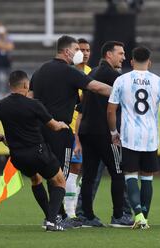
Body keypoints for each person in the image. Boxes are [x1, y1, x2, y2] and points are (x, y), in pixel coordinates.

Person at [29, 35, 112, 227]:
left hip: (41, 129)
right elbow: (97, 87)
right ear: (67, 52)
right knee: (61, 175)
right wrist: (122, 90)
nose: (80, 54)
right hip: (60, 130)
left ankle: (55, 215)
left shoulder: (40, 71)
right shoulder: (69, 72)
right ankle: (57, 217)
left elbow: (30, 99)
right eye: (77, 50)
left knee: (50, 173)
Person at [0, 70, 68, 231]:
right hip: (38, 152)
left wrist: (2, 139)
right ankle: (52, 220)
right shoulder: (34, 104)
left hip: (17, 156)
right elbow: (54, 126)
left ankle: (49, 218)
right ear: (26, 85)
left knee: (36, 179)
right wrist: (62, 124)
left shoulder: (0, 105)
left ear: (10, 85)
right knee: (59, 181)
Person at [107, 46, 160, 229]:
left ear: (131, 61)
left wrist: (113, 133)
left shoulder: (122, 80)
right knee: (147, 177)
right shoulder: (159, 81)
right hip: (150, 136)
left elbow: (111, 110)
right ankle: (143, 215)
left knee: (130, 175)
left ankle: (138, 215)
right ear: (150, 62)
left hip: (129, 135)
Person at [78, 41, 132, 227]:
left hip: (87, 130)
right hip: (105, 133)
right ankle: (119, 216)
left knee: (89, 175)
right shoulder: (112, 75)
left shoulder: (92, 72)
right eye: (121, 53)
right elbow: (133, 92)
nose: (124, 57)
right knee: (118, 172)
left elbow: (82, 103)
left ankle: (87, 216)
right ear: (109, 55)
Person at [64, 38, 92, 219]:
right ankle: (70, 211)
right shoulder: (68, 73)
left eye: (88, 50)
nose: (85, 53)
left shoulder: (91, 72)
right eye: (81, 49)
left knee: (84, 170)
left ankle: (73, 207)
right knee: (73, 169)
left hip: (88, 128)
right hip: (71, 127)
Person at [0, 22, 14, 98]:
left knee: (8, 76)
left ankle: (7, 92)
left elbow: (10, 47)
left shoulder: (8, 38)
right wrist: (5, 45)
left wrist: (2, 46)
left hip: (6, 58)